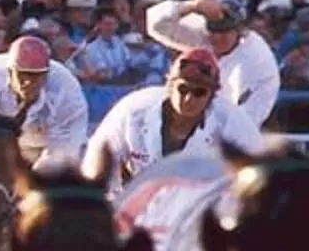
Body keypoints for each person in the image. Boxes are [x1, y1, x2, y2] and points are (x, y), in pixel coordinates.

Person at [83, 47, 265, 187]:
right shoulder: (132, 110)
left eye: (199, 92)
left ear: (212, 96)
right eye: (183, 89)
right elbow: (97, 157)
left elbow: (258, 173)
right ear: (170, 86)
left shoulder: (233, 122)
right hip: (136, 204)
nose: (188, 98)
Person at [144, 0, 280, 126]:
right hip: (197, 120)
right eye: (213, 30)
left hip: (242, 125)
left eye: (224, 31)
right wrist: (192, 6)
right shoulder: (205, 36)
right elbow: (155, 25)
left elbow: (241, 122)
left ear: (240, 30)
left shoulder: (256, 60)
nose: (216, 37)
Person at [0, 33, 90, 169]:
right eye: (23, 74)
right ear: (9, 72)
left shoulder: (66, 91)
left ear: (47, 74)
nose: (28, 82)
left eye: (36, 76)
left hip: (49, 148)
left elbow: (63, 150)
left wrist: (30, 182)